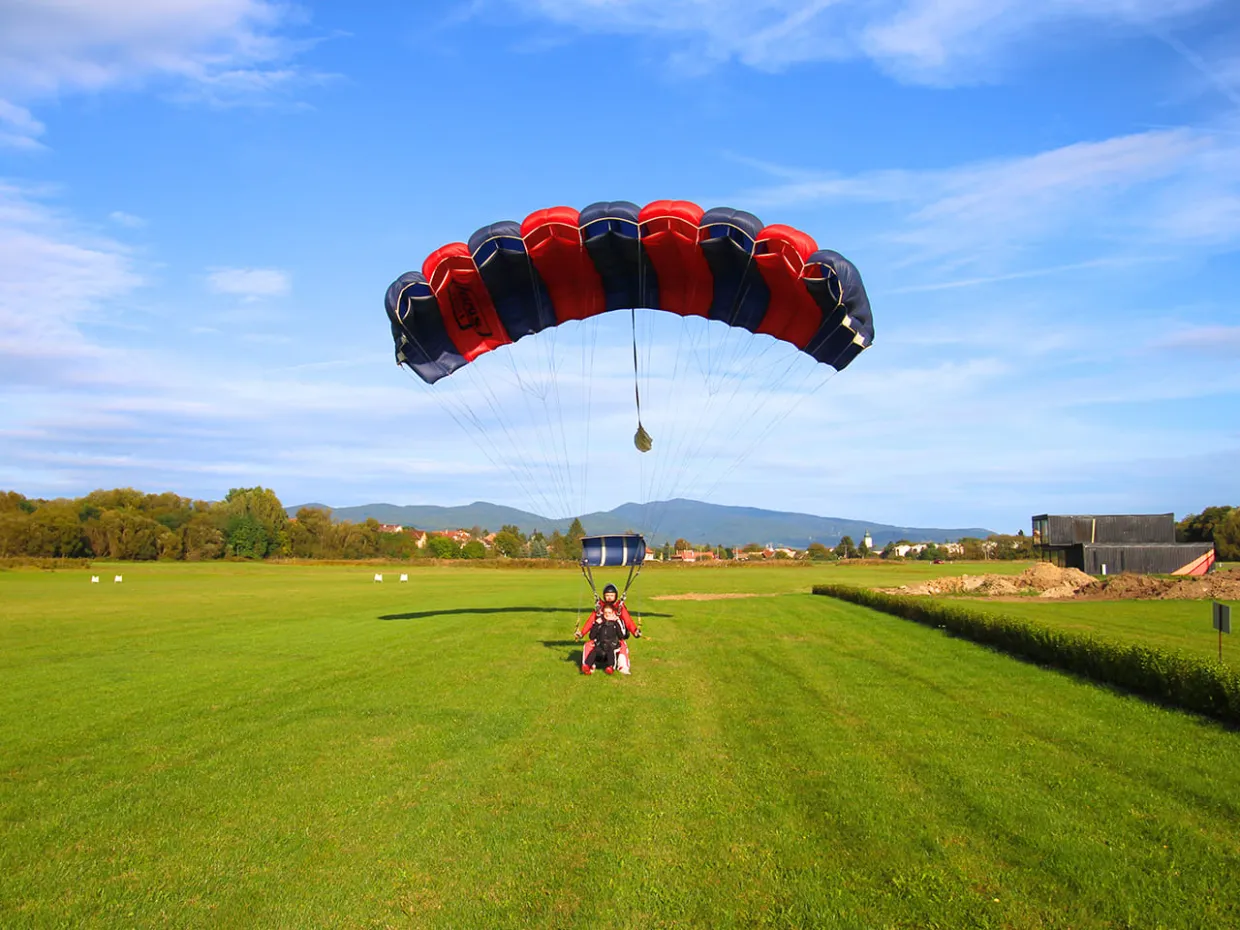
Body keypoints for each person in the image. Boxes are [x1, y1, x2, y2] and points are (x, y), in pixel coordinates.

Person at [576, 583, 639, 675]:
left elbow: (628, 621)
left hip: (614, 640)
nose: (609, 598)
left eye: (612, 595)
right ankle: (588, 666)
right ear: (604, 596)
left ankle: (623, 667)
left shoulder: (619, 608)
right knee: (588, 645)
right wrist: (581, 633)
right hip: (600, 640)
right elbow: (590, 622)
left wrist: (635, 631)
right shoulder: (600, 609)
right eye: (607, 595)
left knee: (623, 646)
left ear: (616, 596)